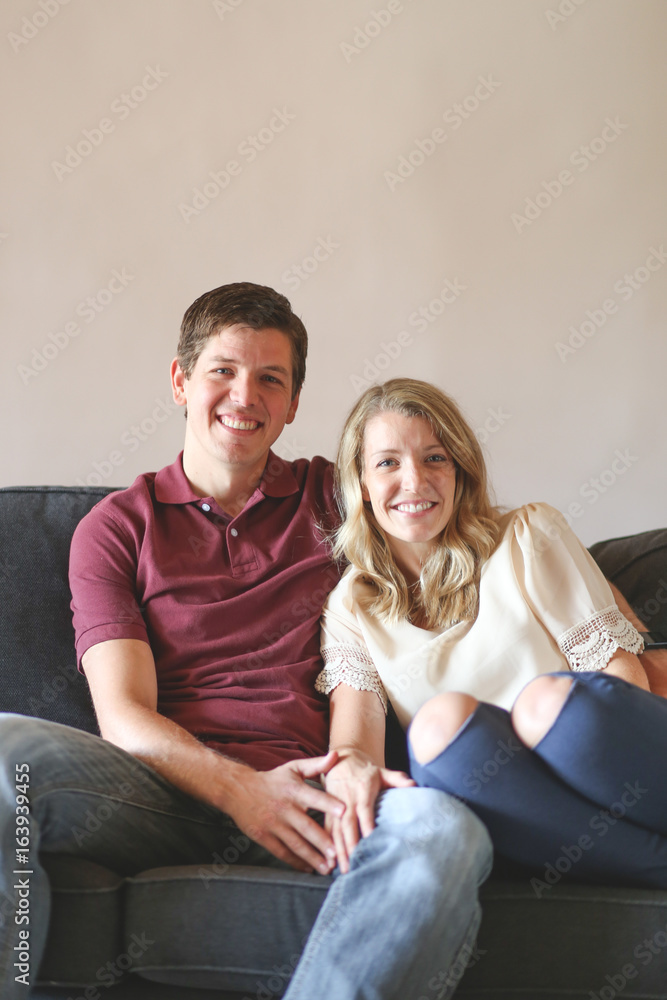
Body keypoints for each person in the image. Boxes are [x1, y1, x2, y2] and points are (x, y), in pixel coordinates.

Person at [0, 285, 492, 1000]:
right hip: (161, 793)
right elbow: (124, 716)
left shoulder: (338, 499)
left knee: (446, 830)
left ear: (293, 403)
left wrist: (353, 762)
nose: (245, 395)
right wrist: (241, 792)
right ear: (180, 381)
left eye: (271, 378)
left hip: (320, 791)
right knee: (6, 754)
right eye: (223, 371)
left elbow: (380, 623)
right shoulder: (117, 527)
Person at [316, 376, 667, 889]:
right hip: (514, 807)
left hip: (602, 763)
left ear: (459, 470)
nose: (414, 481)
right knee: (437, 725)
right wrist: (343, 770)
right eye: (388, 462)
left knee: (543, 702)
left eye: (434, 457)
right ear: (362, 485)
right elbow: (356, 743)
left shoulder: (527, 535)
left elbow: (619, 676)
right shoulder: (351, 606)